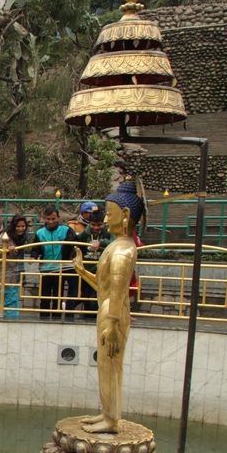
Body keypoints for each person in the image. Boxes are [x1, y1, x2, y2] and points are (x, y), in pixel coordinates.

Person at [73, 181, 144, 434]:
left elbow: (118, 290)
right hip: (108, 308)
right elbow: (105, 287)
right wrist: (82, 271)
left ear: (125, 216)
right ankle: (106, 413)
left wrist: (113, 323)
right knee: (105, 364)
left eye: (110, 213)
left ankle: (112, 419)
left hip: (113, 313)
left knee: (112, 365)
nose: (105, 219)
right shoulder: (116, 245)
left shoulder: (124, 250)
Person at [33, 206, 77, 321]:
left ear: (58, 217)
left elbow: (74, 244)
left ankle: (56, 319)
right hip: (46, 269)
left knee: (58, 296)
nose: (51, 222)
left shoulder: (66, 230)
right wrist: (33, 257)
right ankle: (44, 318)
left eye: (53, 219)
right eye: (48, 219)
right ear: (44, 219)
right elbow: (35, 248)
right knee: (45, 297)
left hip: (60, 269)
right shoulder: (40, 233)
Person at [0, 215, 28, 319]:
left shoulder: (22, 238)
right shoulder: (5, 235)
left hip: (12, 277)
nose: (21, 229)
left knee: (12, 308)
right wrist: (7, 250)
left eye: (23, 226)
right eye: (18, 226)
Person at [74, 210, 112, 320]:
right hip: (87, 272)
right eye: (93, 224)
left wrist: (101, 243)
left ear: (103, 224)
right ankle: (87, 317)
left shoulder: (107, 233)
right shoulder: (84, 234)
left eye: (99, 225)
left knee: (99, 297)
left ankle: (99, 318)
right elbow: (76, 246)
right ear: (89, 223)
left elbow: (115, 242)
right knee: (86, 296)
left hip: (102, 272)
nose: (96, 227)